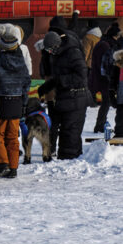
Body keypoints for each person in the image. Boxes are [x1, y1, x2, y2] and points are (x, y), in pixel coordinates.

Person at [0, 24, 31, 179]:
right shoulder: (22, 64)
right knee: (13, 137)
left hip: (1, 102)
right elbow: (26, 84)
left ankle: (1, 164)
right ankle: (13, 168)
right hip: (17, 103)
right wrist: (24, 104)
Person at [36, 30, 90, 159]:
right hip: (66, 98)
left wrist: (61, 81)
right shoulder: (57, 54)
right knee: (66, 131)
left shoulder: (73, 53)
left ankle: (70, 159)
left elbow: (82, 76)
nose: (49, 53)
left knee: (71, 131)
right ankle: (68, 158)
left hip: (77, 97)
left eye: (50, 50)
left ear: (57, 45)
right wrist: (45, 87)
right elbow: (57, 76)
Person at [89, 23, 120, 133]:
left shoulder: (103, 42)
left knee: (106, 102)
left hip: (99, 77)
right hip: (102, 78)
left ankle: (100, 124)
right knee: (106, 102)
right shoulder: (105, 45)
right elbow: (105, 64)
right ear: (114, 36)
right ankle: (99, 125)